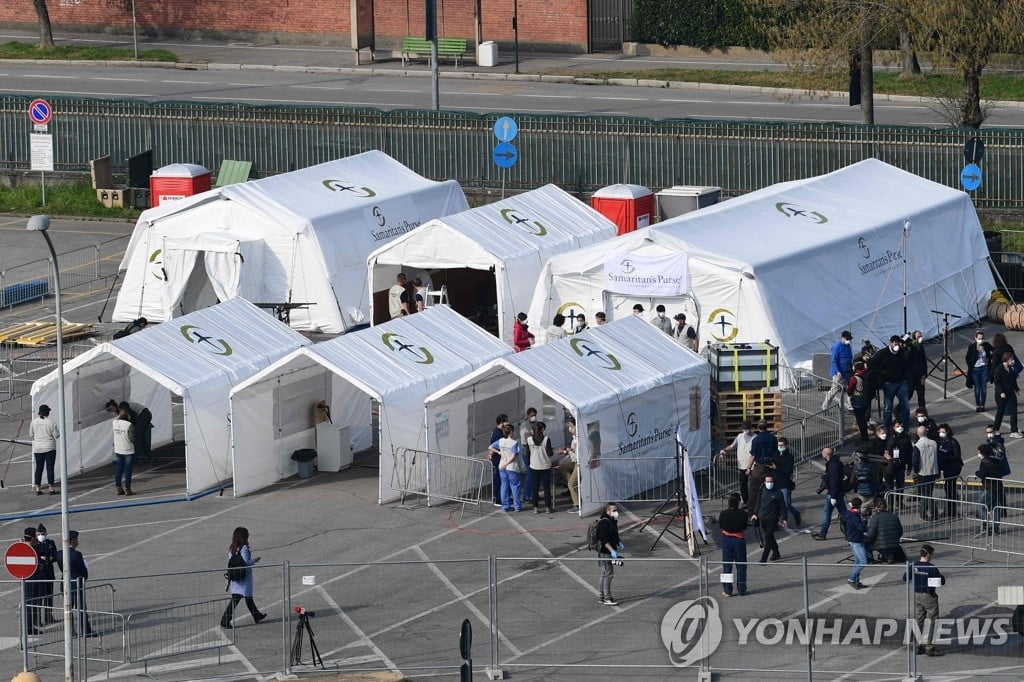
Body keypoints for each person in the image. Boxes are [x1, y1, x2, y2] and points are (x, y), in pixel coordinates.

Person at [220, 527, 267, 629]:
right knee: (243, 598)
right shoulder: (244, 548)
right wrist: (254, 560)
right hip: (244, 578)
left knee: (245, 599)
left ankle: (256, 615)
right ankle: (225, 620)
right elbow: (246, 562)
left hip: (236, 578)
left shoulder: (232, 548)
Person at [904, 544, 945, 657]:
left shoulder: (913, 565)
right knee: (933, 620)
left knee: (919, 619)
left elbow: (905, 577)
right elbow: (941, 582)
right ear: (927, 555)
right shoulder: (931, 567)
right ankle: (930, 647)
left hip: (917, 595)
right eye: (931, 555)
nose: (931, 557)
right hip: (929, 595)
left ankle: (918, 646)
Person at [870, 335, 910, 430]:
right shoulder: (883, 353)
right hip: (889, 384)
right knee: (888, 408)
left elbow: (906, 363)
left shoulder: (901, 351)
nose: (897, 346)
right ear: (891, 343)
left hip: (902, 383)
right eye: (895, 344)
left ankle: (905, 427)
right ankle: (887, 428)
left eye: (898, 344)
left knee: (905, 407)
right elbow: (872, 362)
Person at [64, 530, 96, 637]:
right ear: (72, 541)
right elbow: (82, 571)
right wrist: (85, 576)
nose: (78, 541)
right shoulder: (76, 554)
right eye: (76, 539)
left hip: (65, 584)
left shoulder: (60, 553)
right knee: (81, 608)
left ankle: (70, 631)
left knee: (68, 609)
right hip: (76, 585)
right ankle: (85, 630)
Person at [718, 493, 748, 596]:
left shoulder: (723, 513)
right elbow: (744, 527)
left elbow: (721, 525)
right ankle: (742, 589)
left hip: (727, 540)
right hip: (739, 540)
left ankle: (727, 590)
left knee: (727, 565)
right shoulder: (743, 514)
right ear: (738, 502)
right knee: (741, 565)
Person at [750, 474, 785, 562]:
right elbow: (758, 502)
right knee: (770, 537)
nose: (769, 483)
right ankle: (776, 553)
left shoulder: (778, 493)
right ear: (764, 482)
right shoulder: (762, 490)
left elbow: (783, 506)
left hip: (773, 518)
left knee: (768, 537)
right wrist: (755, 514)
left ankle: (764, 557)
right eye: (768, 482)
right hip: (763, 517)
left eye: (771, 482)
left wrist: (784, 519)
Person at [719, 421, 755, 506]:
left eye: (747, 428)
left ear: (750, 428)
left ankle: (754, 501)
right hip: (742, 465)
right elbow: (732, 446)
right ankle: (745, 501)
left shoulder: (755, 438)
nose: (745, 430)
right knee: (743, 484)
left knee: (753, 485)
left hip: (753, 465)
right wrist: (724, 450)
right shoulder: (739, 437)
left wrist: (750, 467)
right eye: (744, 428)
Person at [489, 424, 523, 512]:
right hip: (511, 467)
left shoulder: (500, 441)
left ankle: (505, 505)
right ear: (511, 432)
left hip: (502, 465)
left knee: (504, 486)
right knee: (515, 486)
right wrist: (507, 463)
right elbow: (513, 456)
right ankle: (517, 506)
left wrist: (499, 452)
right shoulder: (514, 443)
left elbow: (490, 447)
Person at [812, 447, 844, 541]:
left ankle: (823, 533)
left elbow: (834, 481)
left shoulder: (833, 465)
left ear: (826, 455)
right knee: (844, 513)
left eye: (823, 454)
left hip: (833, 493)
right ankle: (851, 530)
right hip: (838, 492)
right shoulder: (836, 463)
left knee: (827, 514)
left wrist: (833, 496)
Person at [595, 502, 623, 605]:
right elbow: (604, 540)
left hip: (608, 551)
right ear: (607, 511)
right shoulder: (604, 523)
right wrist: (612, 550)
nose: (616, 512)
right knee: (608, 574)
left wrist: (618, 542)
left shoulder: (612, 520)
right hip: (605, 552)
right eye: (614, 510)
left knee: (604, 573)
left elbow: (614, 534)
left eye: (616, 510)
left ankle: (602, 596)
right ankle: (607, 597)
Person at [747, 420, 777, 513]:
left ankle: (751, 512)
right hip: (771, 467)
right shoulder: (773, 438)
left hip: (759, 467)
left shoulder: (756, 440)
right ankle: (772, 510)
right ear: (767, 427)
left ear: (758, 428)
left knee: (753, 490)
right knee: (771, 489)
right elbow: (776, 453)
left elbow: (753, 455)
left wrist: (749, 468)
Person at [976, 443, 1006, 535]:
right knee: (996, 508)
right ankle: (995, 528)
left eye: (979, 452)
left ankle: (984, 526)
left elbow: (982, 473)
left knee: (982, 505)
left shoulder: (984, 461)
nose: (978, 454)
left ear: (983, 453)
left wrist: (977, 473)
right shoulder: (997, 460)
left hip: (989, 487)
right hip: (998, 487)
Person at [29, 403, 59, 495]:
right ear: (47, 413)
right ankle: (51, 488)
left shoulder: (33, 422)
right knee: (50, 468)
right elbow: (56, 435)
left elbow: (31, 434)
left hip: (38, 447)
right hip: (49, 447)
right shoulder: (51, 422)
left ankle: (38, 488)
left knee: (39, 468)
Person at [771, 436, 801, 526]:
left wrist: (776, 467)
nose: (780, 447)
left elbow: (787, 470)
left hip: (784, 483)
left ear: (786, 445)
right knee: (776, 503)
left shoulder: (789, 457)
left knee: (786, 504)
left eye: (782, 445)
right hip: (775, 482)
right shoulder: (775, 454)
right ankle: (781, 520)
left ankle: (796, 513)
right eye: (779, 445)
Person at [864, 498, 905, 564]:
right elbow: (900, 531)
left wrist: (864, 540)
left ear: (876, 507)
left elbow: (871, 535)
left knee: (866, 543)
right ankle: (890, 555)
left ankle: (870, 558)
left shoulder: (875, 518)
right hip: (895, 544)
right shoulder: (894, 515)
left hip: (882, 546)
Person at [992, 351, 1022, 438]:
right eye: (1011, 359)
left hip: (1011, 393)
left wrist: (1017, 389)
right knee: (1000, 412)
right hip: (1001, 395)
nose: (1013, 361)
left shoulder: (1011, 369)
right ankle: (996, 429)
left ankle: (1014, 431)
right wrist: (1001, 392)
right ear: (1007, 359)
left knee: (1014, 411)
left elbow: (1013, 381)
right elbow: (996, 382)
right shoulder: (999, 369)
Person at [912, 425, 939, 521]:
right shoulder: (934, 443)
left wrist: (915, 470)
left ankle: (928, 512)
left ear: (918, 434)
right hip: (933, 471)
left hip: (923, 472)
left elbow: (915, 461)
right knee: (929, 492)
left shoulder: (917, 445)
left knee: (925, 494)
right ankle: (929, 512)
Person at [822, 330, 853, 411]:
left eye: (849, 339)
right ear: (842, 338)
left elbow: (850, 357)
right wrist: (837, 371)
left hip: (848, 371)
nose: (848, 341)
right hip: (838, 373)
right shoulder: (836, 347)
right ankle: (825, 406)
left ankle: (851, 405)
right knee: (834, 390)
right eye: (847, 339)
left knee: (850, 389)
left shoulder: (848, 346)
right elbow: (834, 361)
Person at [935, 423, 962, 517]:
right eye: (940, 432)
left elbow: (957, 455)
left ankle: (952, 510)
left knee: (950, 488)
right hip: (945, 468)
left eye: (943, 432)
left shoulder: (953, 442)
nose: (941, 433)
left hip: (953, 467)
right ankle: (950, 509)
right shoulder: (939, 441)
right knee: (947, 488)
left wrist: (945, 458)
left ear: (948, 432)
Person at [528, 421, 556, 513]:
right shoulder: (546, 439)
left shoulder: (529, 440)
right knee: (546, 487)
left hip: (534, 465)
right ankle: (548, 507)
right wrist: (552, 450)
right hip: (545, 466)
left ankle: (535, 507)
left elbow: (528, 453)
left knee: (535, 487)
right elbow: (549, 454)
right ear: (542, 429)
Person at [35, 523, 60, 625]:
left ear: (46, 533)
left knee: (49, 597)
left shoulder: (50, 543)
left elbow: (55, 555)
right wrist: (41, 558)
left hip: (49, 573)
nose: (41, 535)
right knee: (39, 598)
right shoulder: (35, 544)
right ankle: (38, 620)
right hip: (39, 574)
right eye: (39, 533)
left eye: (43, 533)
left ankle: (48, 616)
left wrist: (48, 559)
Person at [22, 528, 45, 635]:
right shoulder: (30, 549)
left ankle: (31, 626)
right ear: (32, 538)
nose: (38, 538)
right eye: (36, 536)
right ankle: (29, 627)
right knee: (30, 604)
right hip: (31, 579)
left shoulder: (27, 547)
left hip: (29, 578)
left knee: (32, 604)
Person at [842, 497, 869, 589]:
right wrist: (865, 520)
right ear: (859, 506)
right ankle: (851, 578)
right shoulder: (854, 516)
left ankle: (857, 581)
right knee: (863, 561)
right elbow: (861, 528)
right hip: (856, 541)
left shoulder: (849, 513)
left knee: (857, 561)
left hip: (853, 539)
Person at [966, 330, 994, 412]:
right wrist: (971, 366)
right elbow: (967, 357)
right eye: (979, 338)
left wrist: (988, 356)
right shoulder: (972, 347)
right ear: (975, 338)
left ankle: (983, 404)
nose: (980, 340)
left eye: (982, 338)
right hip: (975, 369)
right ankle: (978, 404)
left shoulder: (986, 345)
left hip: (984, 368)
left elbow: (994, 350)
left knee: (984, 388)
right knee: (977, 388)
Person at [111, 402, 136, 495]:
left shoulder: (114, 422)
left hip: (118, 449)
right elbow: (132, 438)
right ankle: (128, 489)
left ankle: (118, 488)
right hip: (128, 450)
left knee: (118, 470)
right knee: (128, 471)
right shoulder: (129, 425)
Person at [884, 420, 913, 497]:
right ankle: (890, 502)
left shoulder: (906, 437)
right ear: (893, 427)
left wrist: (909, 466)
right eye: (898, 426)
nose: (900, 428)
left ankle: (899, 500)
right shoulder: (888, 437)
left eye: (902, 426)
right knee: (889, 485)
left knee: (900, 484)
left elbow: (909, 452)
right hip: (890, 464)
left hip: (901, 464)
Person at [486, 414, 509, 506]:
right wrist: (493, 453)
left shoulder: (497, 431)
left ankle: (502, 497)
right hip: (497, 459)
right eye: (506, 421)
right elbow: (493, 445)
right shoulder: (498, 433)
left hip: (498, 458)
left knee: (502, 479)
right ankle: (497, 499)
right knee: (498, 480)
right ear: (502, 422)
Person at [559, 417, 580, 513]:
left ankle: (577, 505)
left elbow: (577, 453)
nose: (569, 428)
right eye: (568, 426)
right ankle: (572, 488)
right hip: (574, 460)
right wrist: (566, 451)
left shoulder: (579, 438)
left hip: (579, 462)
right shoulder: (574, 438)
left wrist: (570, 450)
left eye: (571, 426)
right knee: (562, 467)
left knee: (571, 484)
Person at [847, 361, 870, 442]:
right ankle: (865, 436)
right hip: (866, 399)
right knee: (863, 418)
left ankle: (864, 438)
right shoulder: (867, 375)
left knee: (860, 420)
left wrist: (849, 394)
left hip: (858, 399)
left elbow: (850, 390)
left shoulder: (854, 378)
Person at [905, 330, 928, 411]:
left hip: (920, 376)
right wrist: (909, 348)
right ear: (914, 337)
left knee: (921, 396)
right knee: (908, 395)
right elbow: (906, 359)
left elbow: (924, 361)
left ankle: (923, 413)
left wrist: (924, 375)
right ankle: (898, 410)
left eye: (921, 335)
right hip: (911, 376)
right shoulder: (910, 347)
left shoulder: (921, 347)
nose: (920, 337)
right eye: (918, 336)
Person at [519, 408, 537, 503]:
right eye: (532, 415)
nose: (534, 417)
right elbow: (525, 441)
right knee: (530, 472)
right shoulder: (524, 426)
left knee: (534, 473)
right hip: (527, 451)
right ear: (528, 415)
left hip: (534, 450)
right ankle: (526, 495)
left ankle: (533, 494)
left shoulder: (536, 424)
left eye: (535, 415)